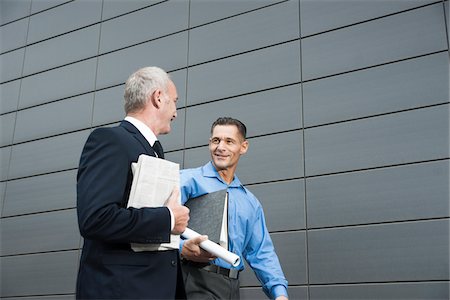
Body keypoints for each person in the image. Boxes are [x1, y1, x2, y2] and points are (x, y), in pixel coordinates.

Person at [76, 66, 189, 299]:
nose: (176, 112)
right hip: (122, 291)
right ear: (158, 98)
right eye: (174, 102)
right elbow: (96, 218)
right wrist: (168, 218)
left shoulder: (154, 151)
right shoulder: (110, 140)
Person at [179, 117, 289, 300]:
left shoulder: (250, 202)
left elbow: (261, 252)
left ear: (243, 147)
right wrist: (182, 248)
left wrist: (280, 293)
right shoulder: (187, 181)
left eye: (229, 141)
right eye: (216, 140)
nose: (220, 147)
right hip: (192, 279)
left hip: (231, 287)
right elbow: (158, 226)